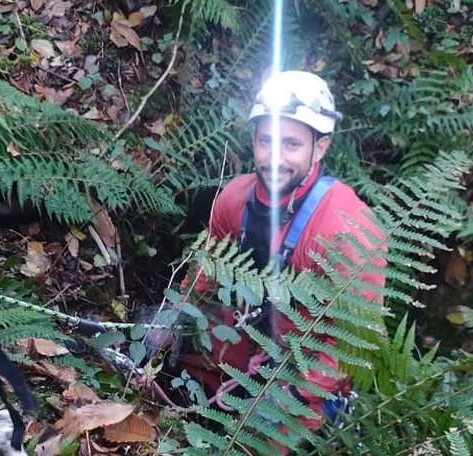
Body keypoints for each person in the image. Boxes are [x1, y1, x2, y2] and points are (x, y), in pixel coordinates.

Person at [151, 70, 386, 427]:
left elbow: (351, 345)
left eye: (291, 145)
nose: (275, 159)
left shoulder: (348, 231)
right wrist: (170, 322)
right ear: (253, 139)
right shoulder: (234, 200)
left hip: (302, 384)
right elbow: (205, 276)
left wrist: (275, 395)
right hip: (237, 353)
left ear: (319, 147)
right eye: (266, 142)